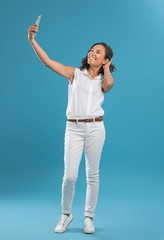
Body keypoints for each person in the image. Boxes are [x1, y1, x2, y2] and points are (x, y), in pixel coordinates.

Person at [28, 24, 116, 234]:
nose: (92, 52)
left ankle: (89, 217)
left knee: (92, 175)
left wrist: (105, 68)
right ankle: (66, 214)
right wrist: (32, 40)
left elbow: (109, 86)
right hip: (74, 129)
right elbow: (48, 62)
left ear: (106, 59)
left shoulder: (104, 80)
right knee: (70, 176)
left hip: (96, 128)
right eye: (91, 50)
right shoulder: (74, 74)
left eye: (98, 51)